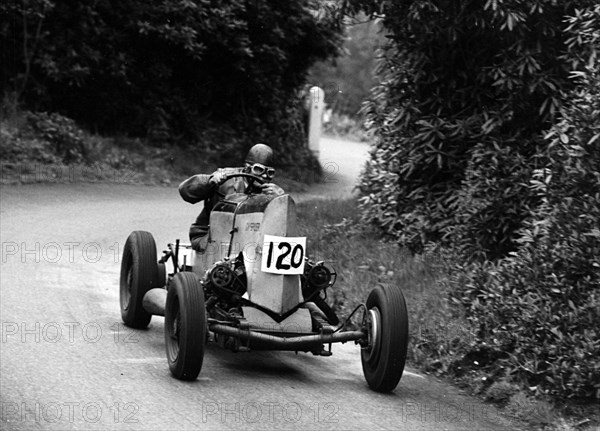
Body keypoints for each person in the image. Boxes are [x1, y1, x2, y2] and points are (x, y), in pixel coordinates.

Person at [179, 143, 284, 251]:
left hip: (248, 241)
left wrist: (280, 200)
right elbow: (185, 191)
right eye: (259, 170)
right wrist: (209, 181)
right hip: (210, 236)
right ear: (247, 168)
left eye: (270, 172)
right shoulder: (225, 177)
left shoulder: (271, 192)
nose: (265, 176)